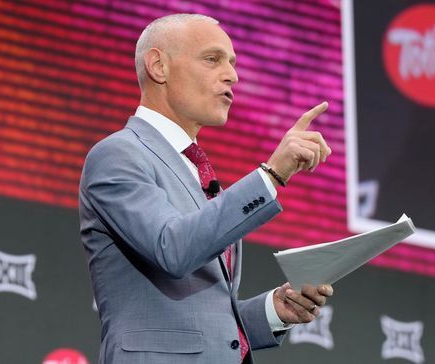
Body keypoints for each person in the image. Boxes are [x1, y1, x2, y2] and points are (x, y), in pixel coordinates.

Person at [79, 13, 334, 363]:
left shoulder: (195, 169)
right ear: (158, 66)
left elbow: (199, 322)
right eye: (212, 59)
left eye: (232, 62)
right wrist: (272, 174)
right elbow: (173, 248)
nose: (233, 75)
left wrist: (273, 310)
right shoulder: (117, 155)